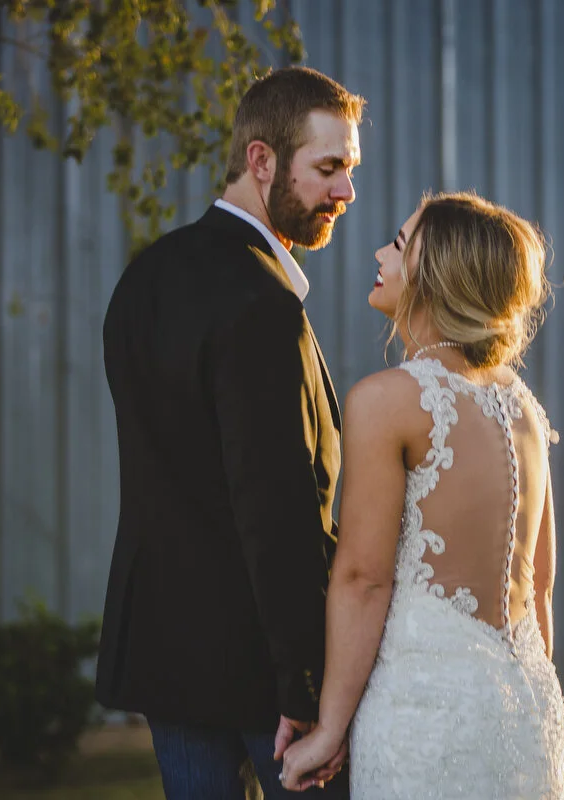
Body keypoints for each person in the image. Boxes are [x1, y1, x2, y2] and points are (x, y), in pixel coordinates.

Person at [95, 66, 364, 799]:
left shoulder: (145, 279)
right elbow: (276, 509)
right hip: (260, 672)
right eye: (329, 168)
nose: (346, 193)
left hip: (164, 651)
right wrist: (306, 687)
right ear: (261, 161)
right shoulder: (261, 305)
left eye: (350, 169)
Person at [278, 191, 564, 798]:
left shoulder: (387, 400)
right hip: (527, 713)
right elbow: (538, 588)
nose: (381, 252)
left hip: (428, 720)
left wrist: (329, 728)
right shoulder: (523, 408)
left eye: (399, 243)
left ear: (436, 276)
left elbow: (363, 577)